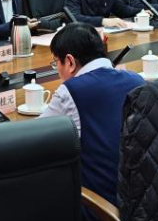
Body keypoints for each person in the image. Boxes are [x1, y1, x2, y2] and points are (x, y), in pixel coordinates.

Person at [41, 23, 144, 209]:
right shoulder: (137, 80)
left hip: (101, 209)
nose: (57, 70)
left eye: (56, 62)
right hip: (142, 204)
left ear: (70, 62)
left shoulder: (72, 91)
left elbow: (34, 138)